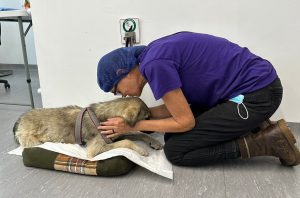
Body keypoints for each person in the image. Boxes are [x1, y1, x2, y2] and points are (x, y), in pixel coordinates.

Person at [97, 32, 300, 166]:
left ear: (123, 72)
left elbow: (185, 121)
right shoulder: (154, 54)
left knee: (176, 151)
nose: (122, 95)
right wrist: (132, 120)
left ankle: (268, 141)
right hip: (248, 91)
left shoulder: (155, 65)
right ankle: (254, 125)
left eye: (116, 89)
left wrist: (132, 127)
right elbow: (176, 108)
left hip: (256, 95)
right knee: (171, 135)